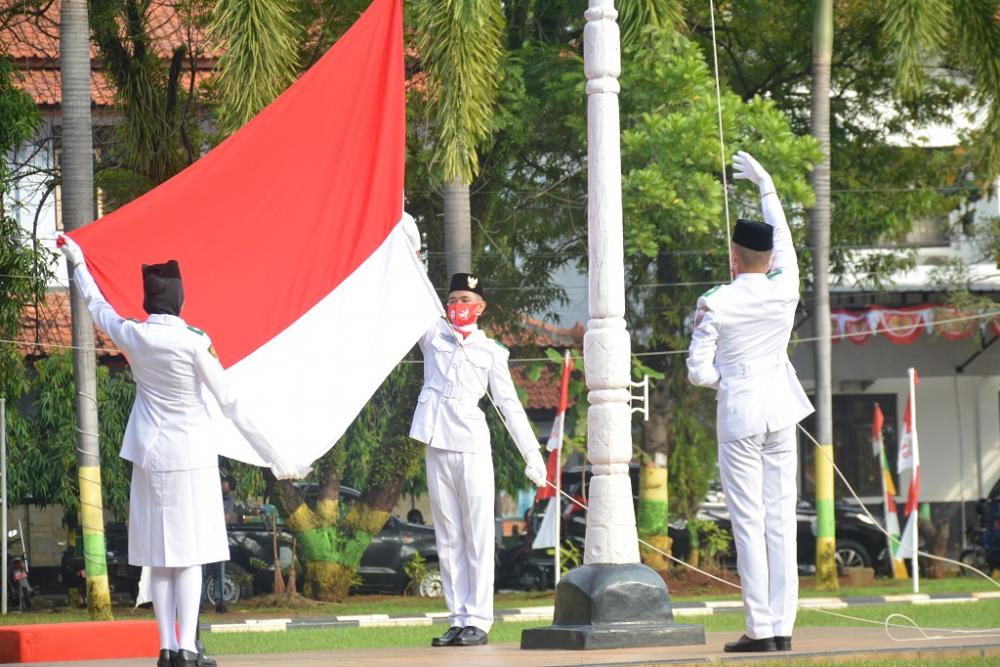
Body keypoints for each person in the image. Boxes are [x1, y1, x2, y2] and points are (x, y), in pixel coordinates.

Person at [59, 236, 303, 667]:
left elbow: (98, 308)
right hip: (189, 455)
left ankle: (167, 648)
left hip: (149, 455)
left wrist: (77, 262)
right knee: (189, 557)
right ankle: (188, 647)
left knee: (161, 558)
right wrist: (273, 454)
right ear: (179, 298)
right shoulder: (194, 340)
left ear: (149, 299)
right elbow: (230, 403)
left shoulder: (134, 334)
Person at [686, 151, 814, 654]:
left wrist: (730, 379)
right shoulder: (786, 289)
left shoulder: (716, 301)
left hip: (740, 412)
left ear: (734, 259)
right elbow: (783, 241)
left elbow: (698, 373)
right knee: (781, 518)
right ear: (766, 260)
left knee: (749, 521)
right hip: (781, 409)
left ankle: (759, 628)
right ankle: (782, 628)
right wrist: (766, 186)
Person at [409, 272, 547, 647]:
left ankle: (479, 620)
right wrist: (412, 250)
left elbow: (510, 407)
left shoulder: (491, 352)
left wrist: (532, 454)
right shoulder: (432, 335)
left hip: (471, 444)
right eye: (453, 299)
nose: (458, 306)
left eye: (466, 301)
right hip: (437, 441)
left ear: (481, 308)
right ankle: (456, 618)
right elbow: (414, 291)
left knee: (477, 534)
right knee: (448, 535)